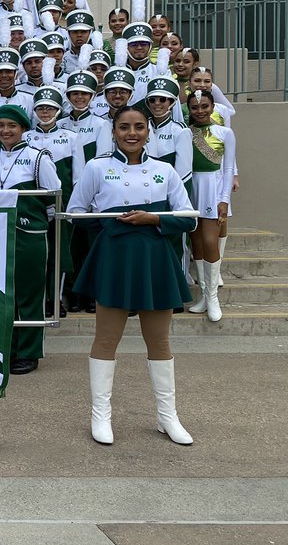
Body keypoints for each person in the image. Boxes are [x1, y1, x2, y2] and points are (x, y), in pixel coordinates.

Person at [68, 106, 197, 446]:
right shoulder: (97, 168)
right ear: (113, 132)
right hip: (115, 258)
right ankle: (100, 415)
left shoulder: (165, 170)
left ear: (148, 132)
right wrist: (109, 225)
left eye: (139, 127)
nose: (132, 133)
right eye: (124, 127)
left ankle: (167, 416)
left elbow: (189, 218)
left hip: (155, 259)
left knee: (160, 341)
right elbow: (76, 212)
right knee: (106, 339)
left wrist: (153, 219)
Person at [0, 106, 60, 375]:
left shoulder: (37, 157)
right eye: (1, 125)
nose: (5, 131)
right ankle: (8, 349)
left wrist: (34, 223)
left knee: (29, 293)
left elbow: (53, 196)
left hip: (29, 235)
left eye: (12, 126)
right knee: (3, 292)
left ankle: (29, 352)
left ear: (23, 129)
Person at [185, 89, 236, 323]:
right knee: (196, 243)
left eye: (204, 106)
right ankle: (204, 296)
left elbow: (228, 168)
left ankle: (214, 297)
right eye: (195, 107)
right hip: (191, 188)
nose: (200, 111)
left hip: (213, 189)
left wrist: (224, 199)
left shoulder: (225, 132)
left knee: (209, 241)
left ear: (213, 107)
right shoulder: (185, 133)